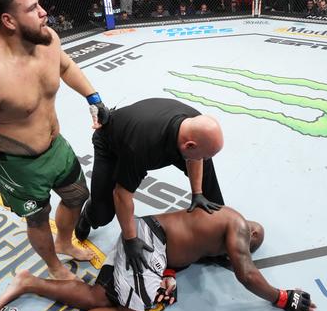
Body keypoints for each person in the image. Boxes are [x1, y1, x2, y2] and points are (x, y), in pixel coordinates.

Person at [0, 0, 111, 281]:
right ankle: (54, 266)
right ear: (8, 20)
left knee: (77, 197)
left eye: (39, 3)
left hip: (57, 147)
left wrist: (93, 97)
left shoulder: (47, 39)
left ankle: (64, 241)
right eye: (33, 8)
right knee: (38, 220)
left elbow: (65, 66)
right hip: (18, 165)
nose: (44, 13)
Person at [0, 206, 317, 311]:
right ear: (253, 233)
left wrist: (168, 275)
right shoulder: (238, 225)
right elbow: (246, 273)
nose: (233, 256)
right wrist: (281, 297)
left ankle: (30, 282)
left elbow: (180, 253)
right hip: (148, 244)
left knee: (101, 297)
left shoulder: (208, 228)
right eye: (243, 250)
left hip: (143, 235)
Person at [75, 98, 225, 274]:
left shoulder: (196, 123)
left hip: (154, 134)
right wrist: (130, 239)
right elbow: (122, 195)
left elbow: (197, 156)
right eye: (203, 155)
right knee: (103, 213)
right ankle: (88, 213)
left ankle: (216, 235)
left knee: (206, 174)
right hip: (112, 144)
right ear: (189, 145)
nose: (204, 158)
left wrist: (198, 193)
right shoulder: (141, 146)